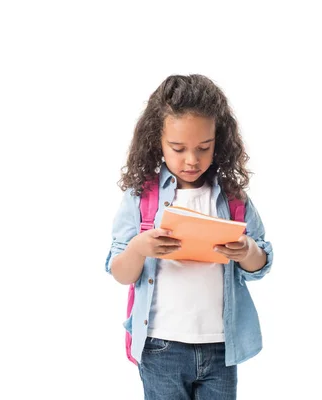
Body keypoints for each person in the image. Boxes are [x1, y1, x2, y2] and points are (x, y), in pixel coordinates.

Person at [105, 74, 273, 399]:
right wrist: (141, 247)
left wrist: (246, 250)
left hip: (220, 346)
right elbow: (120, 270)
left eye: (203, 148)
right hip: (161, 345)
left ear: (218, 142)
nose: (192, 160)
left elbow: (261, 264)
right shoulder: (142, 197)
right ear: (158, 141)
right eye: (178, 149)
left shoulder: (232, 198)